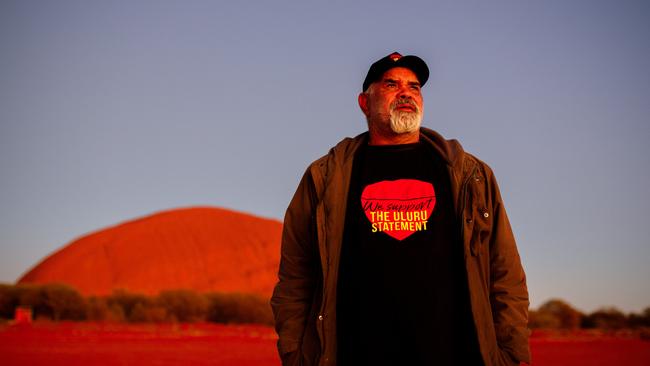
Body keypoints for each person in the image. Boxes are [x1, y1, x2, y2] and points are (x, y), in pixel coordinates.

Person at [271, 52, 530, 366]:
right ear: (365, 102)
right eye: (391, 84)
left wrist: (511, 356)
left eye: (415, 87)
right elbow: (296, 277)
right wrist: (297, 355)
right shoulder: (325, 177)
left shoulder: (470, 174)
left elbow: (505, 276)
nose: (406, 92)